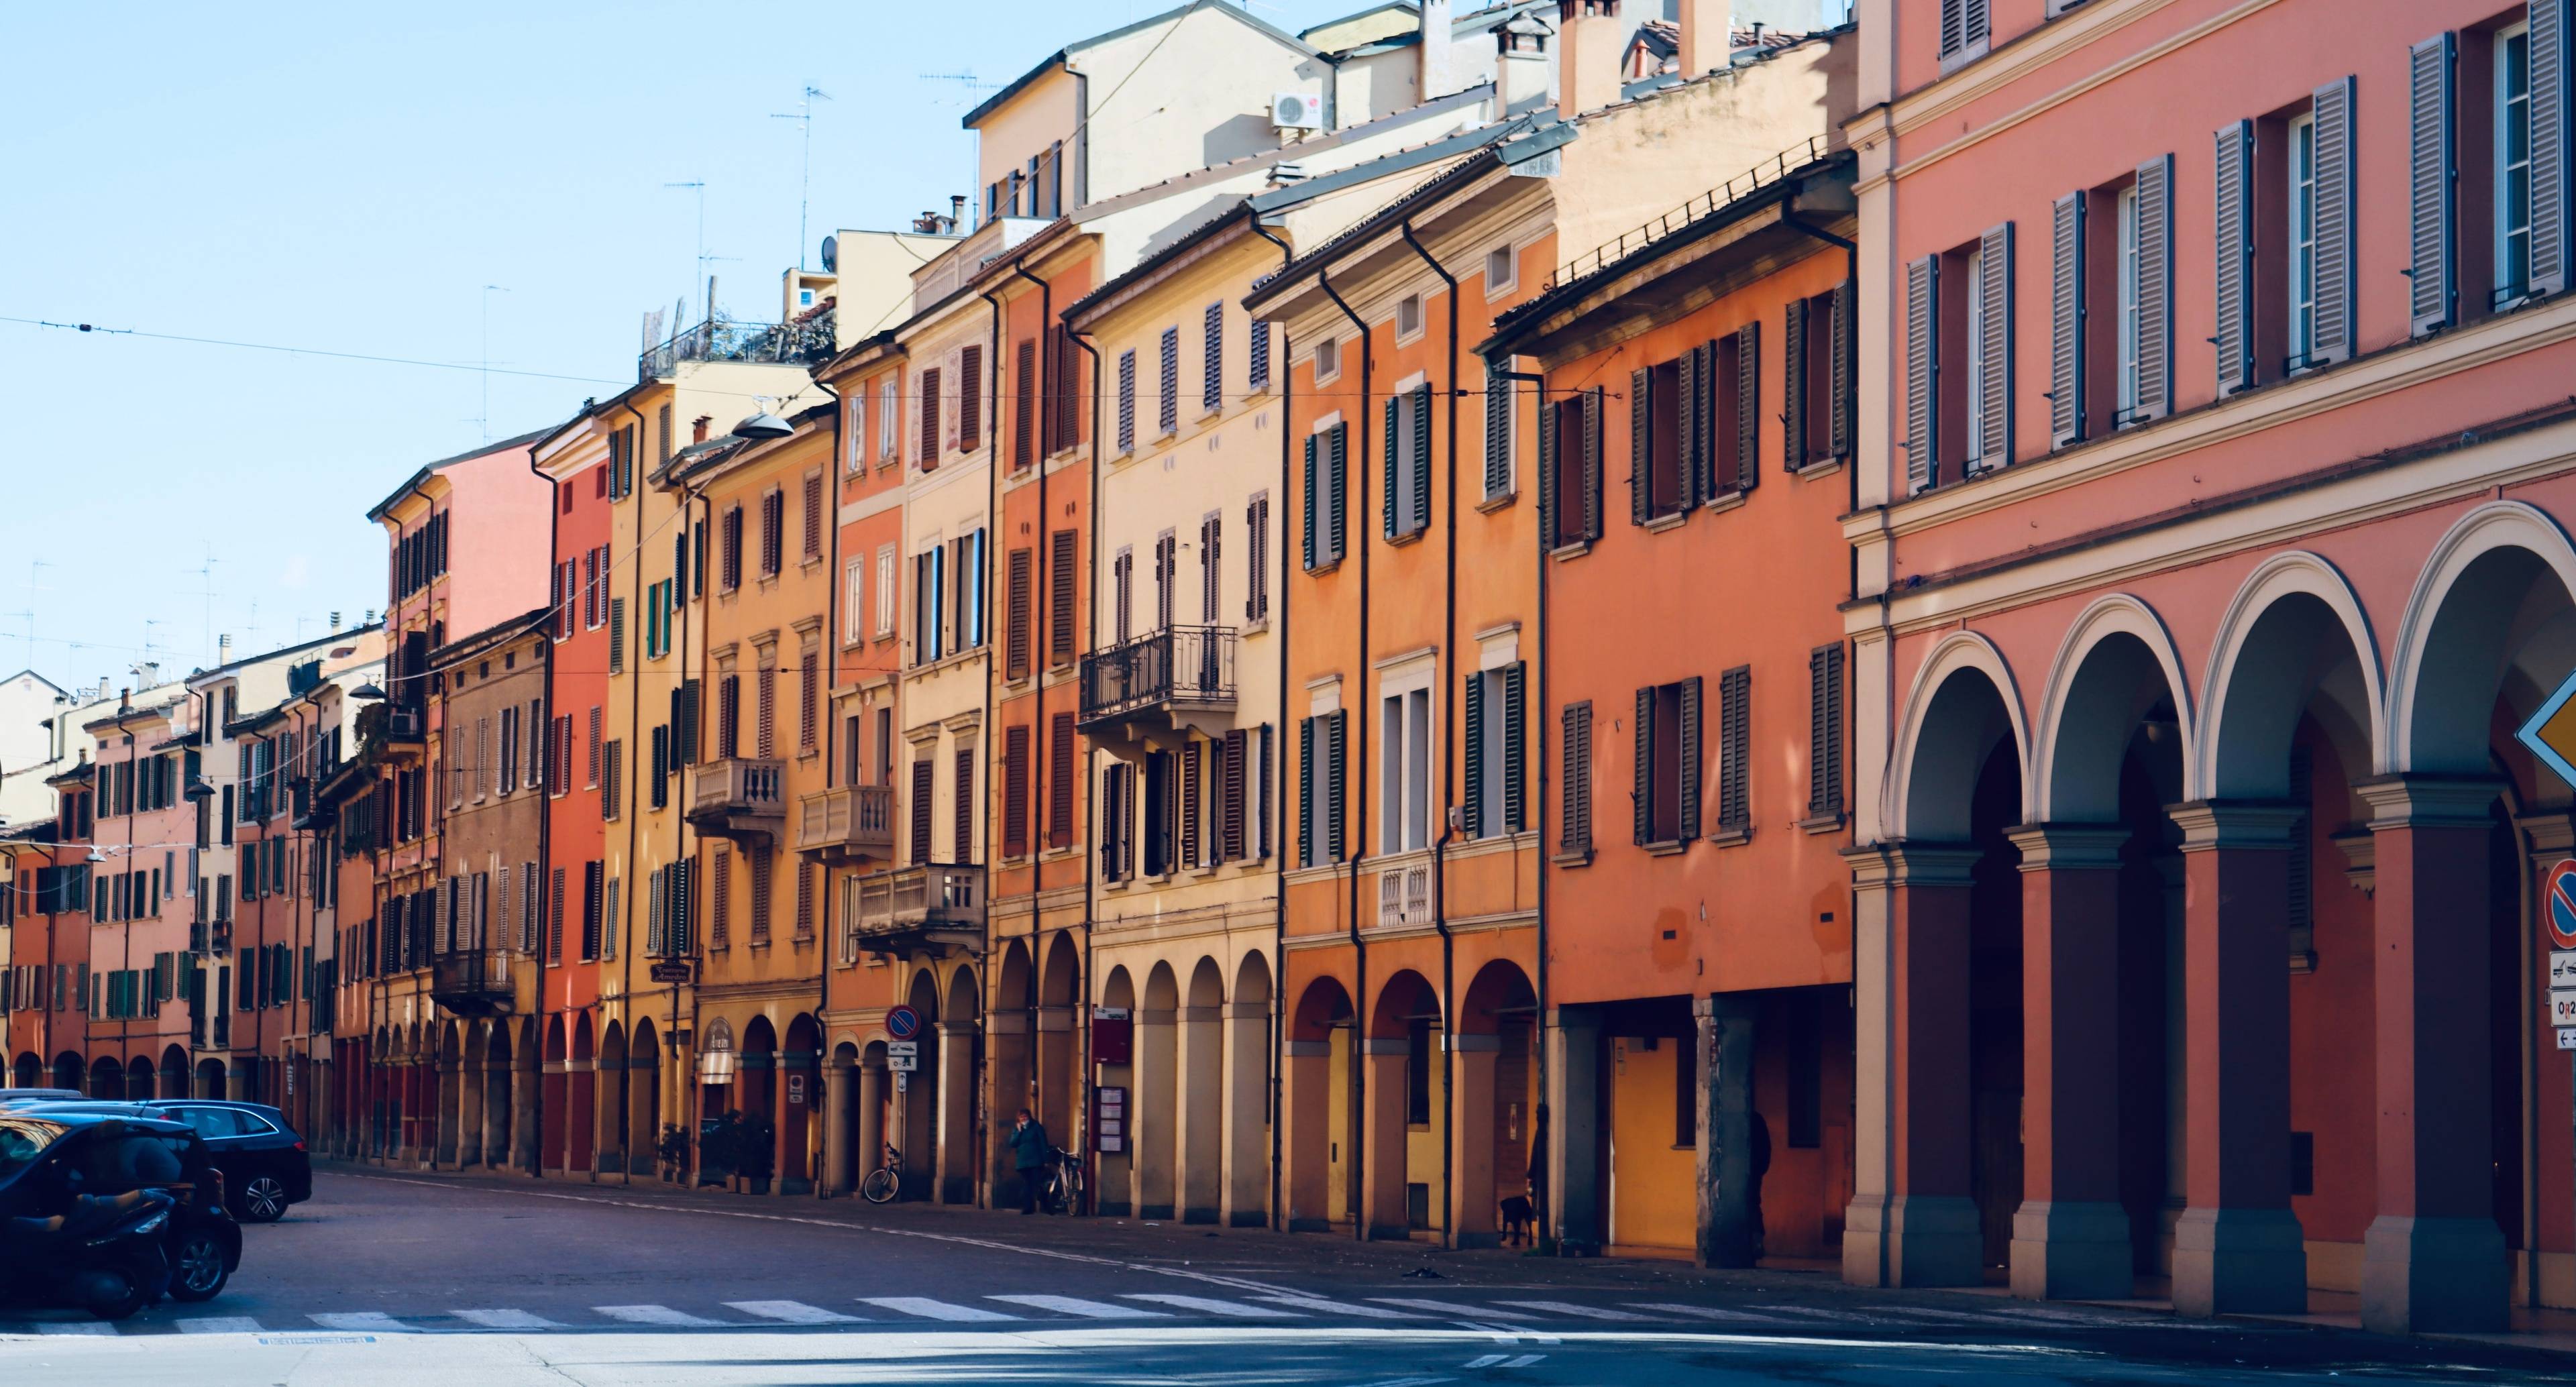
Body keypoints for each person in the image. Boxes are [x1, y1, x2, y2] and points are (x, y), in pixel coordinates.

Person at [1008, 1108, 1051, 1214]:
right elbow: (1013, 1144)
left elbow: (1043, 1144)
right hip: (1023, 1162)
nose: (1023, 1119)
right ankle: (1029, 1208)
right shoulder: (1017, 1130)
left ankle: (1046, 1206)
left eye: (1025, 1116)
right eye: (1021, 1117)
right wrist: (1019, 1132)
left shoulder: (1037, 1127)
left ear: (1029, 1117)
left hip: (1036, 1161)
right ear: (1018, 1119)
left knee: (1037, 1184)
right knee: (1027, 1185)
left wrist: (1046, 1160)